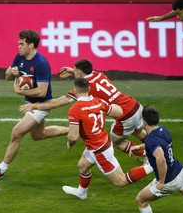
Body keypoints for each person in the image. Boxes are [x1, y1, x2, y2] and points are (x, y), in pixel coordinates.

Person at [20, 59, 149, 163]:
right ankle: (158, 150)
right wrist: (72, 71)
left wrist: (34, 106)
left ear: (80, 74)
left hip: (124, 115)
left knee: (118, 142)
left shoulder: (85, 88)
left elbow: (57, 102)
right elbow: (87, 74)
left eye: (75, 71)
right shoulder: (99, 74)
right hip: (135, 105)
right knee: (139, 132)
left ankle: (147, 155)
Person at [0, 30, 69, 179]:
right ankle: (75, 129)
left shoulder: (41, 64)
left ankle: (0, 170)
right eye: (18, 43)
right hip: (31, 103)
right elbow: (7, 76)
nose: (18, 46)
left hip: (41, 105)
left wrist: (20, 92)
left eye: (21, 44)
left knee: (17, 133)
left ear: (31, 45)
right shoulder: (20, 57)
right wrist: (12, 73)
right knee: (38, 135)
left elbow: (42, 92)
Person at [62, 77, 153, 200]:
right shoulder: (98, 101)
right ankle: (81, 192)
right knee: (83, 165)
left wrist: (70, 144)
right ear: (89, 88)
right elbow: (119, 111)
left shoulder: (75, 109)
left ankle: (153, 165)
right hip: (101, 141)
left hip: (99, 149)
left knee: (120, 181)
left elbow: (73, 137)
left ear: (74, 90)